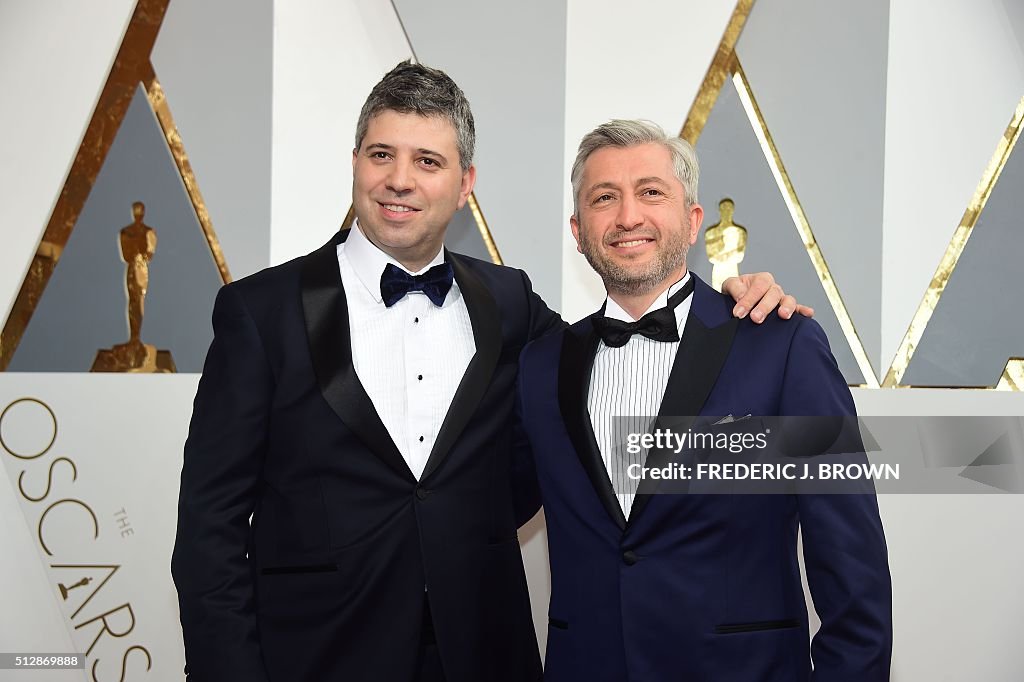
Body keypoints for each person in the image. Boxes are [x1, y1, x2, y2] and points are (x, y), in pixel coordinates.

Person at [171, 63, 809, 682]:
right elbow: (209, 528)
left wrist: (734, 304)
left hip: (484, 652)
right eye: (380, 155)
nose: (400, 180)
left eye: (428, 161)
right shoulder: (260, 312)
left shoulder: (509, 304)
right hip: (315, 656)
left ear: (465, 182)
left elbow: (634, 350)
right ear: (356, 162)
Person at [516, 119, 893, 681]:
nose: (628, 216)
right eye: (604, 198)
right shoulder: (539, 365)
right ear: (577, 229)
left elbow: (853, 571)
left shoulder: (781, 343)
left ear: (693, 221)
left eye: (651, 192)